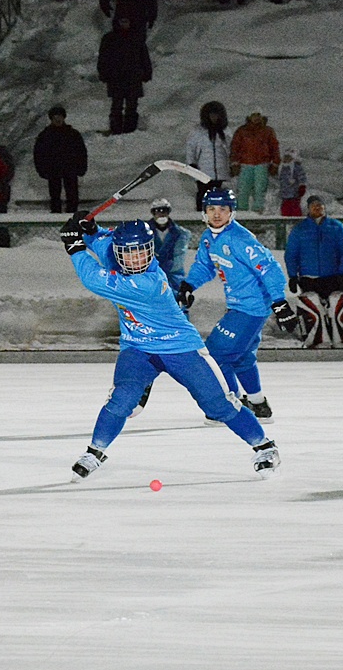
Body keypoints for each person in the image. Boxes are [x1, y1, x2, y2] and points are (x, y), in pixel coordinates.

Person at [59, 215, 281, 480]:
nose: (135, 259)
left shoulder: (147, 283)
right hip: (138, 347)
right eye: (128, 253)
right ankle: (94, 452)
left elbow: (93, 279)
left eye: (141, 252)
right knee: (122, 399)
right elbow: (106, 245)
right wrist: (92, 232)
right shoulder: (119, 256)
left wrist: (74, 246)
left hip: (179, 346)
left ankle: (265, 447)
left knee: (218, 405)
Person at [176, 188, 299, 423]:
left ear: (231, 212)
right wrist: (189, 285)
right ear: (204, 212)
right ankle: (259, 404)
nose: (217, 214)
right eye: (211, 209)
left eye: (223, 209)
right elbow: (205, 265)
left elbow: (269, 267)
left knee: (216, 354)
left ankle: (231, 406)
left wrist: (280, 303)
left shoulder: (239, 239)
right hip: (239, 305)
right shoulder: (209, 238)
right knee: (242, 358)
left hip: (250, 308)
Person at [284, 195, 343, 348]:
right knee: (314, 308)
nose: (318, 208)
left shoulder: (336, 227)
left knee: (335, 307)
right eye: (314, 206)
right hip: (309, 278)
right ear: (309, 209)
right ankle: (317, 339)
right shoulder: (299, 229)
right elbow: (291, 255)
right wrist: (293, 276)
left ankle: (341, 338)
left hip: (332, 277)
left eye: (320, 205)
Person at [97, 15, 152, 135]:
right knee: (116, 105)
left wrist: (147, 72)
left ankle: (130, 130)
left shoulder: (136, 38)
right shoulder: (109, 38)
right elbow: (103, 58)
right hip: (116, 78)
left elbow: (144, 56)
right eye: (122, 21)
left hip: (133, 77)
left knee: (132, 105)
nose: (124, 24)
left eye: (127, 21)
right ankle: (116, 129)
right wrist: (104, 73)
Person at [33, 105, 88, 213]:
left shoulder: (73, 134)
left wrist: (81, 167)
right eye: (55, 117)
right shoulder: (45, 135)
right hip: (53, 170)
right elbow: (38, 154)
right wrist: (42, 170)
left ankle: (72, 216)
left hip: (70, 169)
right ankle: (55, 216)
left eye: (60, 116)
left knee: (72, 195)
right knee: (54, 196)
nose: (58, 119)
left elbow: (81, 152)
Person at [229, 108, 280, 213]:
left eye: (258, 115)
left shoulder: (268, 131)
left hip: (262, 164)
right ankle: (242, 212)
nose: (256, 118)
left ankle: (258, 211)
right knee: (243, 189)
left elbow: (274, 147)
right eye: (254, 115)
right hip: (245, 164)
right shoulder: (241, 131)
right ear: (249, 116)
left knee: (260, 189)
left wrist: (275, 163)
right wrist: (234, 162)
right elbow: (235, 147)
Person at [185, 100, 231, 210]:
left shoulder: (226, 132)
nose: (214, 118)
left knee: (218, 195)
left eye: (216, 115)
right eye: (212, 115)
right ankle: (201, 212)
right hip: (203, 170)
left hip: (220, 170)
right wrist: (191, 163)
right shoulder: (198, 132)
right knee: (203, 193)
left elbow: (231, 148)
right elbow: (190, 148)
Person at [146, 197, 191, 299]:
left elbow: (179, 255)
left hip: (173, 275)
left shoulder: (181, 233)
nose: (161, 214)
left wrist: (168, 267)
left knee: (178, 298)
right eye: (158, 211)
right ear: (153, 213)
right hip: (151, 274)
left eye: (164, 211)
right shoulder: (143, 233)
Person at [277, 147, 307, 217]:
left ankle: (296, 219)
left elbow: (302, 176)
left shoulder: (296, 167)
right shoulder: (281, 167)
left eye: (288, 157)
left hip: (294, 193)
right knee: (285, 207)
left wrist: (302, 186)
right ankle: (285, 219)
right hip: (284, 192)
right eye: (285, 157)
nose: (286, 159)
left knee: (294, 207)